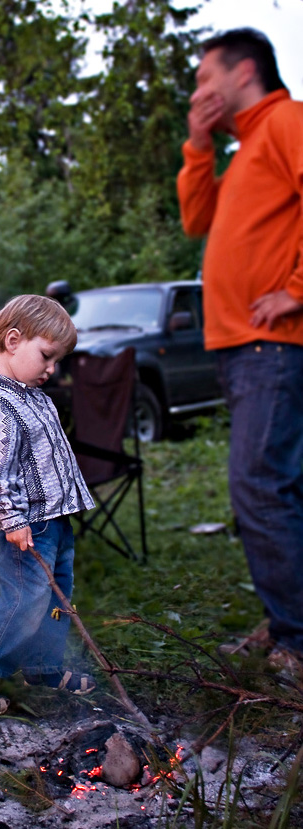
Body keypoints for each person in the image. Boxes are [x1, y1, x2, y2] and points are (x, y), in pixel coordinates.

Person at [177, 28, 303, 675]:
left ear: (243, 70)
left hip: (272, 344)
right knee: (283, 486)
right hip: (240, 347)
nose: (196, 91)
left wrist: (295, 290)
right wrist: (198, 145)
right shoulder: (245, 146)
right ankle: (289, 617)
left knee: (256, 486)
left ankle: (296, 639)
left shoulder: (285, 120)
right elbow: (196, 219)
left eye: (204, 79)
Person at [0, 294, 96, 716]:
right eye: (47, 355)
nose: (52, 368)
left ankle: (44, 666)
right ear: (13, 341)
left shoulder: (35, 398)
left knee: (59, 598)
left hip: (55, 522)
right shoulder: (0, 408)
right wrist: (12, 520)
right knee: (25, 601)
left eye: (57, 359)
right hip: (29, 527)